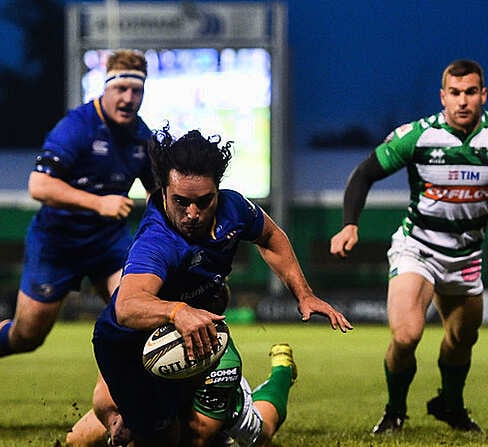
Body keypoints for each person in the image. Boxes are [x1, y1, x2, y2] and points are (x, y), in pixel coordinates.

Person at [329, 59, 488, 434]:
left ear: (483, 94)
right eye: (455, 93)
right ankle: (395, 411)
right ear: (443, 96)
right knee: (406, 335)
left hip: (466, 256)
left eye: (471, 92)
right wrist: (349, 225)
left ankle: (450, 405)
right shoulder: (417, 135)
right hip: (417, 247)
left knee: (461, 340)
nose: (463, 101)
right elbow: (365, 173)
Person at [92, 127, 353, 446]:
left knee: (235, 437)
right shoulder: (156, 242)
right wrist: (178, 311)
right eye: (181, 201)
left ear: (218, 190)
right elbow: (128, 306)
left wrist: (304, 294)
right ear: (162, 192)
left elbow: (271, 237)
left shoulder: (234, 209)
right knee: (94, 428)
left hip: (206, 343)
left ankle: (281, 371)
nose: (192, 213)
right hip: (140, 342)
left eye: (204, 201)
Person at [0, 49, 155, 412]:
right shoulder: (76, 126)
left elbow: (157, 194)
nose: (128, 98)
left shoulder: (142, 137)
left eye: (136, 91)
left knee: (134, 312)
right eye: (121, 88)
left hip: (109, 242)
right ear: (105, 87)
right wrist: (100, 202)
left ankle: (122, 407)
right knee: (27, 334)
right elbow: (39, 186)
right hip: (57, 242)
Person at [67, 342, 297, 447]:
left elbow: (197, 437)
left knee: (262, 433)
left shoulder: (220, 361)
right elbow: (106, 391)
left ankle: (282, 372)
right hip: (154, 397)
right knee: (77, 440)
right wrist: (113, 422)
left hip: (209, 399)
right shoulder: (124, 324)